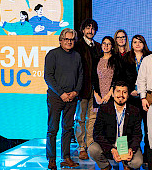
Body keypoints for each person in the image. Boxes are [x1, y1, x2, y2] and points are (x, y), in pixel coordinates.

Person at [44, 28, 82, 169]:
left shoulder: (77, 56)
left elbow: (81, 76)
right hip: (56, 97)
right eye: (66, 39)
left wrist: (75, 92)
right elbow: (48, 77)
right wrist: (61, 93)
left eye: (71, 39)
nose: (69, 42)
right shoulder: (52, 54)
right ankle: (51, 159)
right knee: (52, 129)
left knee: (67, 128)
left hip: (72, 98)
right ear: (60, 40)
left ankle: (66, 157)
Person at [89, 81, 143, 170]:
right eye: (118, 91)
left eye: (124, 92)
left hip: (127, 146)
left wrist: (131, 149)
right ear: (113, 94)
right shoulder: (104, 109)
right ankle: (105, 166)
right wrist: (111, 149)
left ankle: (127, 165)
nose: (121, 95)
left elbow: (137, 134)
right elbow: (97, 133)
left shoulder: (135, 111)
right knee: (93, 149)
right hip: (110, 145)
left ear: (128, 95)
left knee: (137, 162)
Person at [73, 19, 102, 160]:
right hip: (82, 89)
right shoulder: (77, 46)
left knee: (93, 117)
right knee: (80, 118)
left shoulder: (98, 46)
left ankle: (90, 143)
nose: (91, 31)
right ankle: (81, 146)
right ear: (83, 30)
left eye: (93, 28)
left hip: (95, 89)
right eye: (88, 28)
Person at [124, 34, 152, 164]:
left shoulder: (151, 57)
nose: (137, 44)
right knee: (130, 127)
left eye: (140, 42)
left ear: (144, 43)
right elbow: (122, 76)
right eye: (135, 42)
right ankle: (129, 153)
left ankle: (148, 155)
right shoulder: (126, 58)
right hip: (131, 97)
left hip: (146, 96)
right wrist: (130, 90)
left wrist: (143, 91)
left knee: (148, 128)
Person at [92, 36, 132, 108]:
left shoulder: (117, 60)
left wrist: (109, 94)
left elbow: (118, 78)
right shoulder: (96, 60)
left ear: (112, 47)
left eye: (108, 44)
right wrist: (96, 95)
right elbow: (94, 78)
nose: (106, 46)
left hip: (112, 95)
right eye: (104, 43)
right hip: (98, 96)